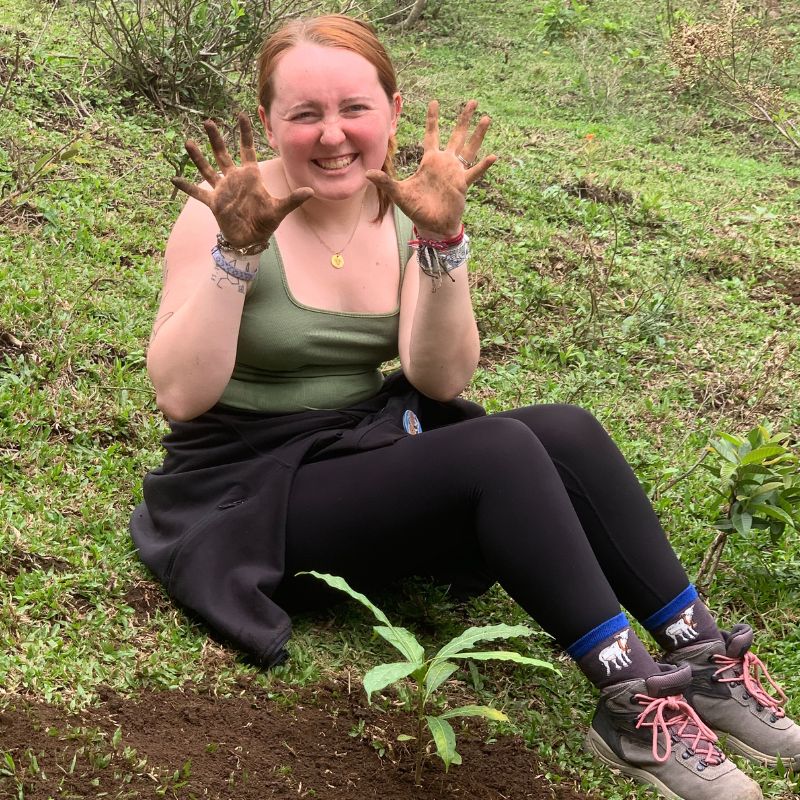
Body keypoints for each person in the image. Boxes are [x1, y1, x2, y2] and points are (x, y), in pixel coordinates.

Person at [130, 14, 799, 800]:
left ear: (392, 109)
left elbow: (439, 379)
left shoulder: (402, 204)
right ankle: (632, 699)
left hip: (357, 449)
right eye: (304, 115)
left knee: (564, 430)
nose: (333, 135)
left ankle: (701, 653)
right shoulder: (231, 207)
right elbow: (180, 394)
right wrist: (235, 253)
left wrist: (442, 241)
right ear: (271, 122)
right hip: (250, 488)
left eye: (354, 108)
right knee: (500, 450)